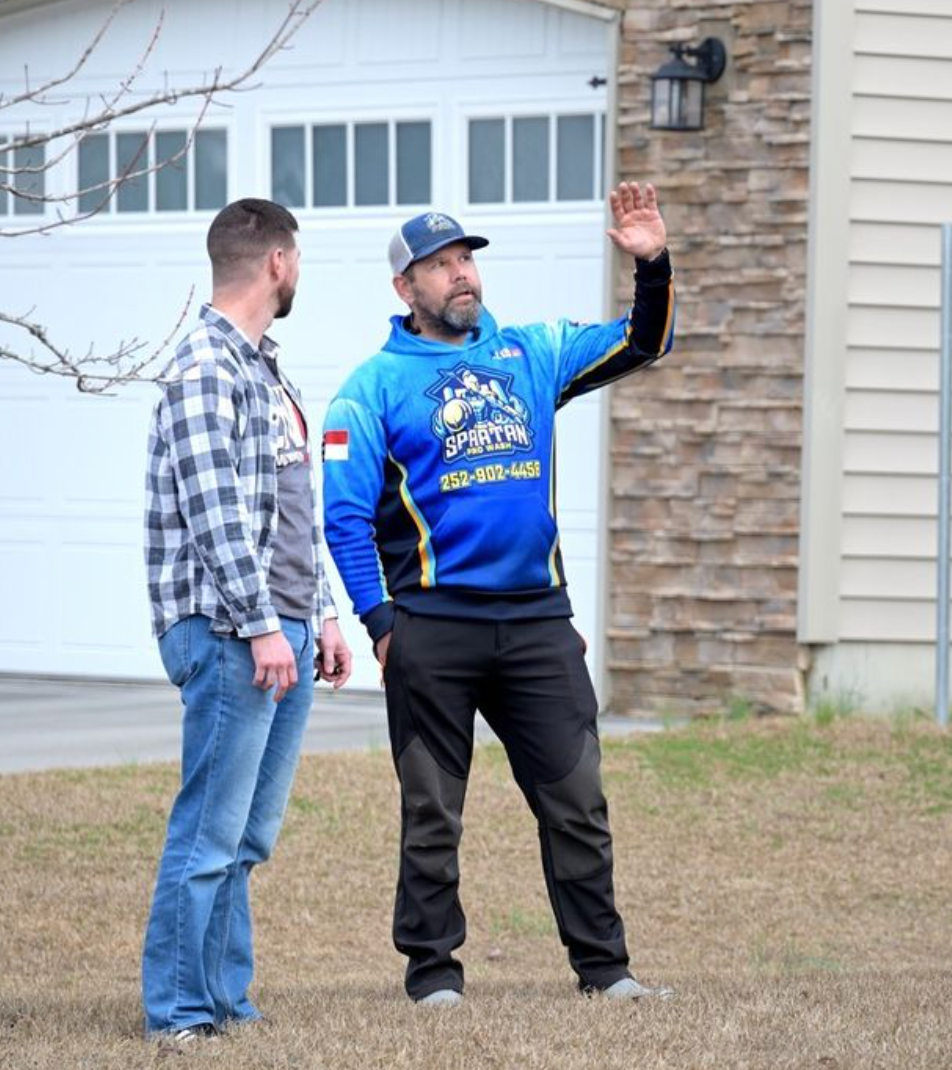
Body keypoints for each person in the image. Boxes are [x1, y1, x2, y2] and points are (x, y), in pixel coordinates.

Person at [321, 183, 674, 1006]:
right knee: (433, 814)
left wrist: (652, 265)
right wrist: (380, 622)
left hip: (538, 625)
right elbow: (343, 517)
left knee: (578, 802)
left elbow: (641, 344)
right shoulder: (370, 388)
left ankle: (606, 970)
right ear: (405, 289)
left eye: (465, 260)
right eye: (438, 266)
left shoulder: (532, 352)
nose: (460, 276)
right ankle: (434, 974)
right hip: (432, 627)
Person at [141, 198, 354, 1040]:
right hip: (231, 633)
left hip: (281, 629)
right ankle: (180, 1013)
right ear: (275, 261)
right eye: (296, 257)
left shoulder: (265, 371)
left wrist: (321, 617)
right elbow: (217, 514)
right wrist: (264, 625)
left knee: (245, 838)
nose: (299, 270)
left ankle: (226, 999)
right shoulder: (205, 369)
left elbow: (294, 508)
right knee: (208, 833)